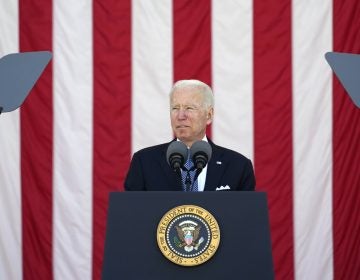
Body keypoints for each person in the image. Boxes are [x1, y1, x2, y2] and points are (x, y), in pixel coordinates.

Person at [124, 79, 255, 191]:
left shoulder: (238, 166)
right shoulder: (144, 162)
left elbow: (246, 218)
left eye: (189, 108)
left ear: (209, 115)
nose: (181, 116)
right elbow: (131, 215)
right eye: (175, 108)